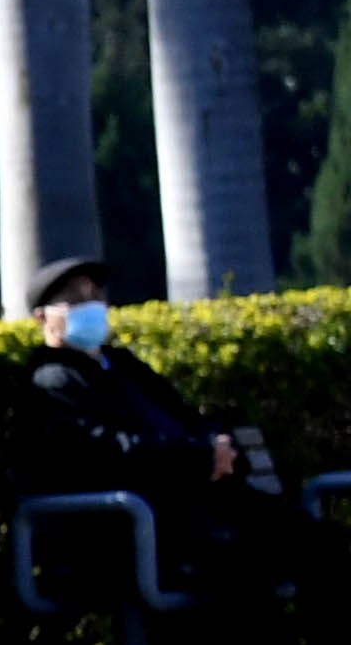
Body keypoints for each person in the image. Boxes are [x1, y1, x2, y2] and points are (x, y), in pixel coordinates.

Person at [16, 256, 311, 612]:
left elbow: (186, 415)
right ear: (42, 317)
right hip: (140, 530)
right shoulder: (54, 379)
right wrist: (202, 458)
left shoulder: (122, 365)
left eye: (96, 299)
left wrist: (218, 446)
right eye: (76, 302)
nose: (92, 309)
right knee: (248, 565)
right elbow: (113, 454)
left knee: (318, 544)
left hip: (199, 509)